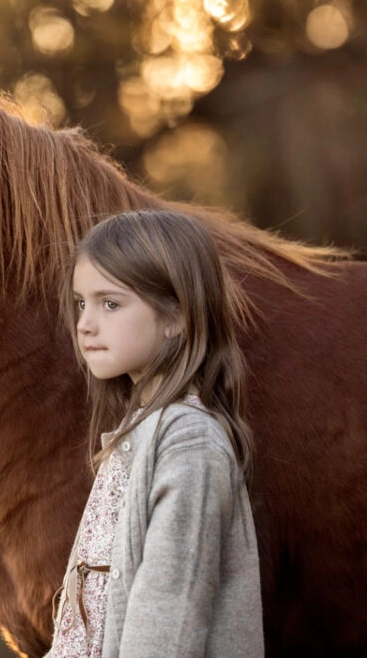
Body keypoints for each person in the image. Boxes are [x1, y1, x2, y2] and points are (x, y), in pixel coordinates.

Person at [47, 209, 263, 657]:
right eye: (80, 303)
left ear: (176, 317)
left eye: (110, 304)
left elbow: (168, 622)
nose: (85, 323)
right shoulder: (138, 434)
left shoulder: (190, 446)